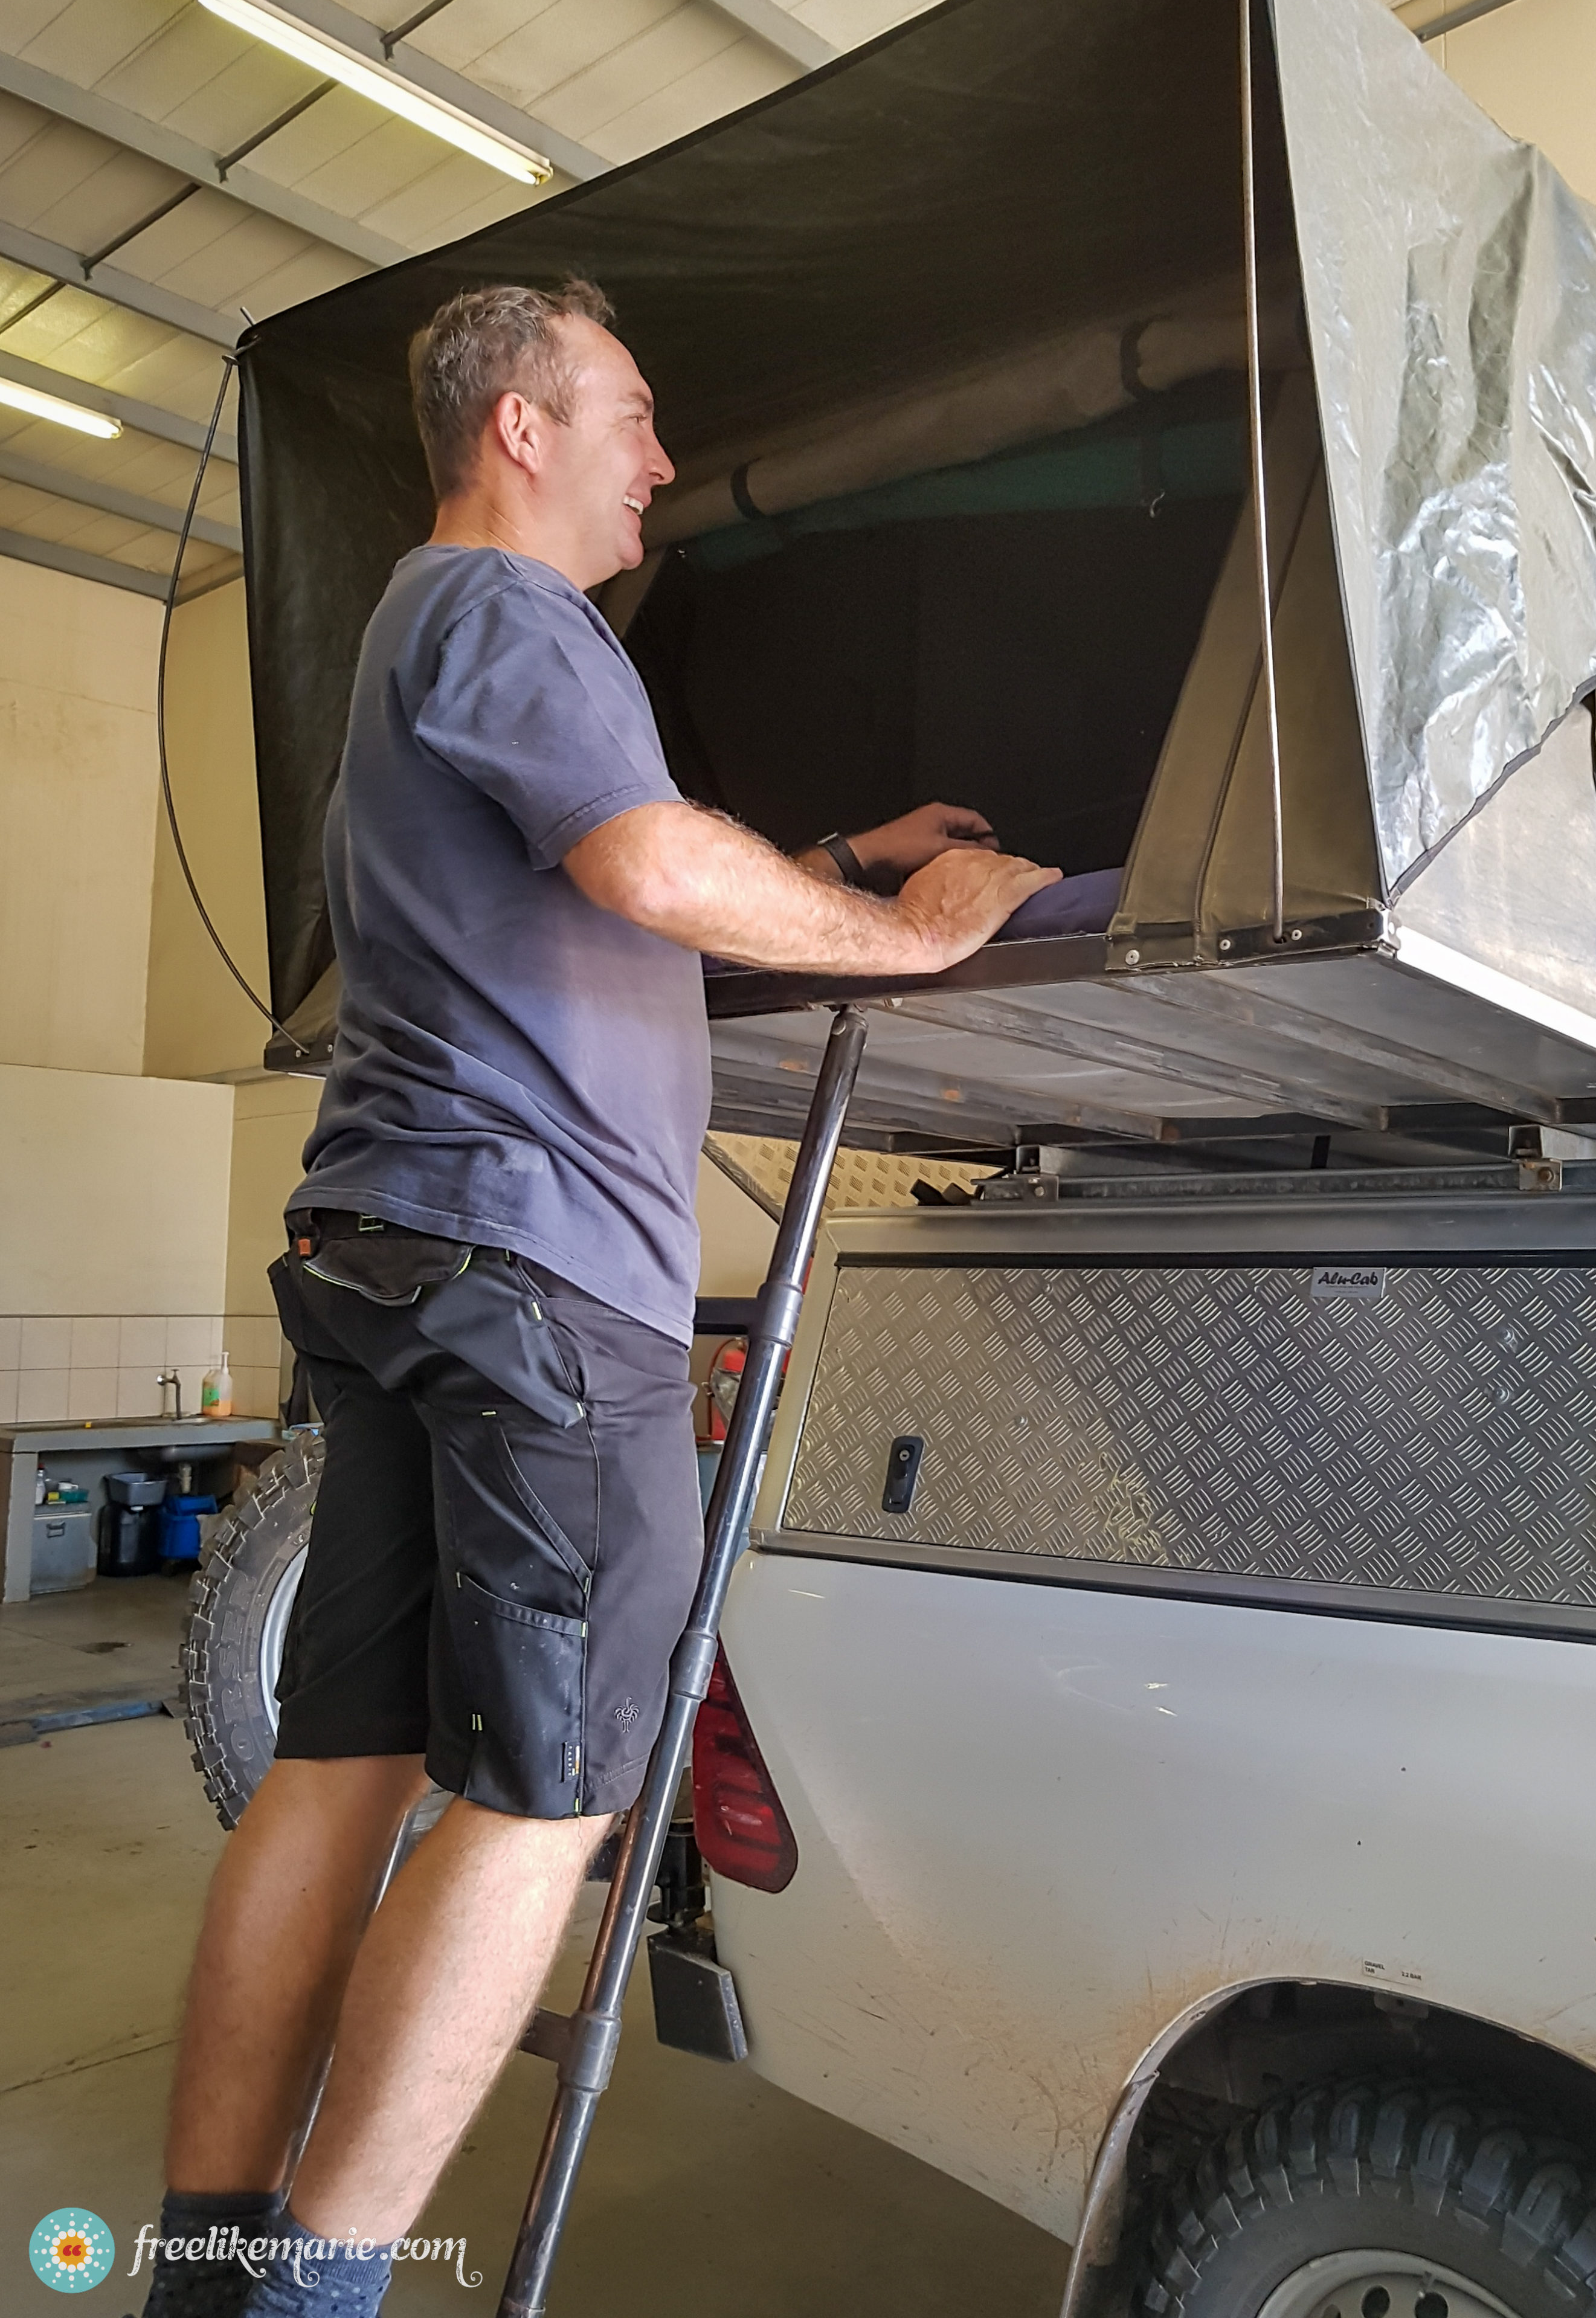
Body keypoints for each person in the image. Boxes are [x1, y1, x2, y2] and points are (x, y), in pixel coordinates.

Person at [140, 279, 1058, 2318]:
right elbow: (642, 871)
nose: (660, 457)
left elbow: (588, 892)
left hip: (401, 1251)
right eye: (631, 414)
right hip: (541, 1272)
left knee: (349, 1750)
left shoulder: (430, 635)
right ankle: (316, 2296)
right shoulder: (505, 615)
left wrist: (822, 853)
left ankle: (213, 2267)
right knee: (550, 1795)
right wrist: (903, 930)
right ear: (519, 430)